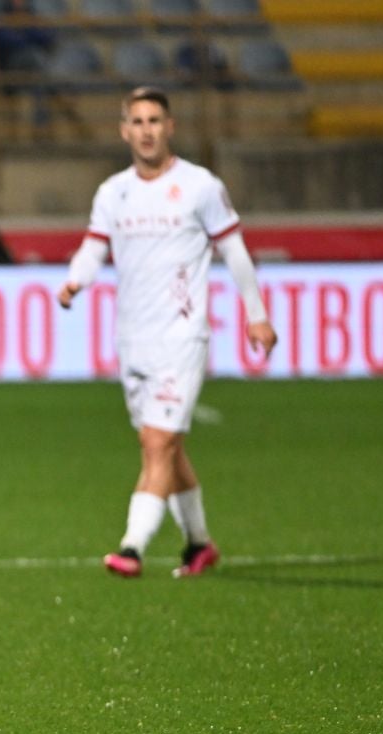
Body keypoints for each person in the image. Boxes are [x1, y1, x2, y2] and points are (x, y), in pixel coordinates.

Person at [58, 86, 277, 579]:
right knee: (163, 448)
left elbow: (234, 251)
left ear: (170, 126)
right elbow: (94, 246)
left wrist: (256, 313)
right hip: (132, 338)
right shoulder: (113, 192)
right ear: (124, 131)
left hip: (182, 336)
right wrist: (76, 279)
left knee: (159, 444)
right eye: (137, 121)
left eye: (155, 120)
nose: (146, 130)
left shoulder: (200, 186)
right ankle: (199, 544)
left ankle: (131, 547)